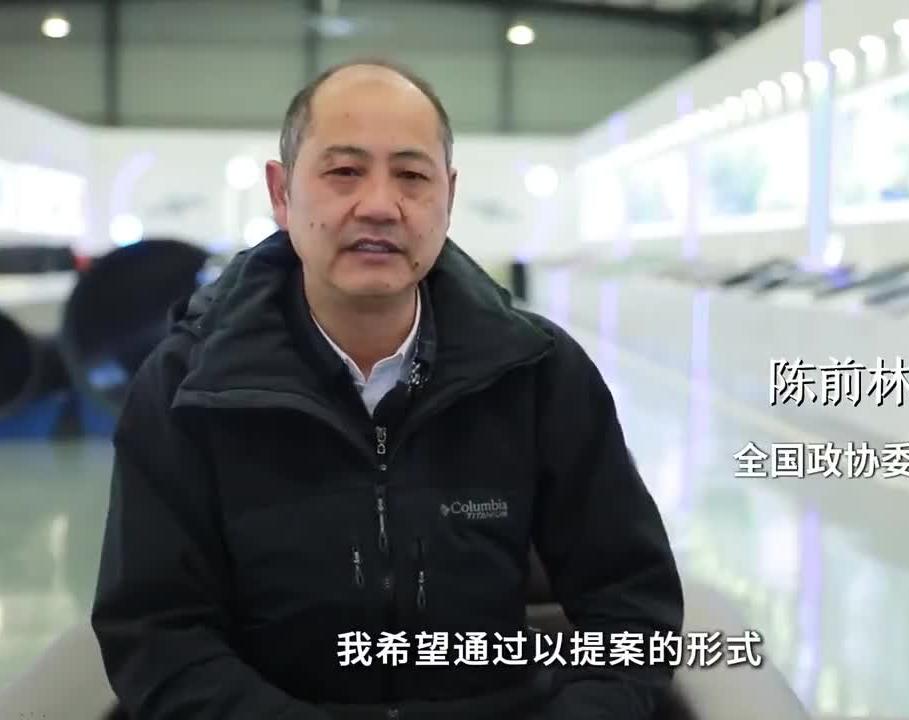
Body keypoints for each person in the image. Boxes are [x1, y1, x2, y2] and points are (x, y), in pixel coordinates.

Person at [91, 58, 684, 719]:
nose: (378, 205)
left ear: (447, 197)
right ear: (282, 193)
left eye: (411, 176)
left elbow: (631, 604)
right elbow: (156, 632)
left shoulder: (539, 374)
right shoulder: (186, 387)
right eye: (344, 172)